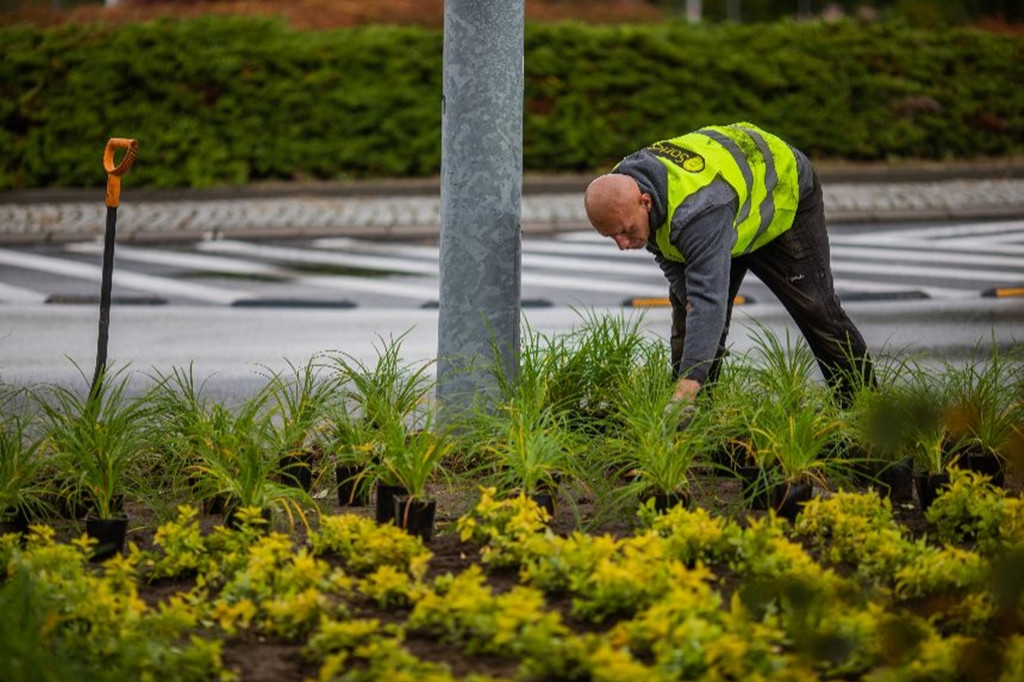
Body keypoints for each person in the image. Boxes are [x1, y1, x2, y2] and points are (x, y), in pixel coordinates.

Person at [584, 121, 874, 406]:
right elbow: (671, 259)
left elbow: (708, 301)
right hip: (728, 208)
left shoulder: (694, 212)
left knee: (816, 309)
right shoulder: (627, 194)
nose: (622, 244)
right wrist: (691, 304)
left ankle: (864, 409)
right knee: (690, 314)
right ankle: (694, 422)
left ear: (645, 201)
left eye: (624, 231)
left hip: (781, 195)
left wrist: (690, 380)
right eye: (612, 237)